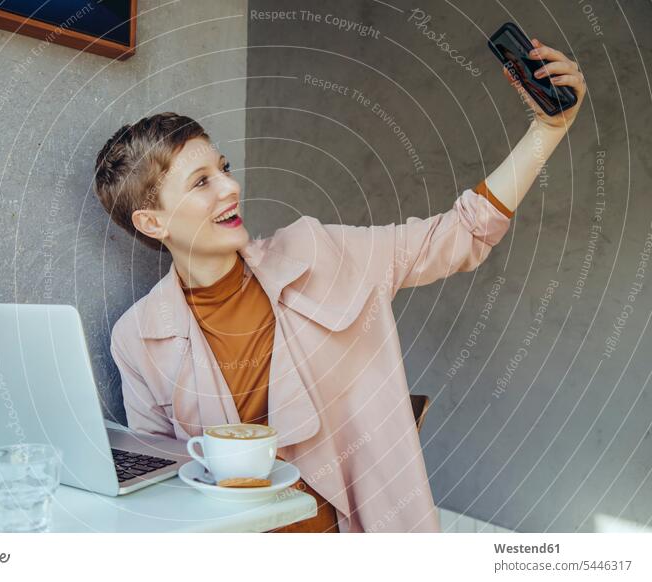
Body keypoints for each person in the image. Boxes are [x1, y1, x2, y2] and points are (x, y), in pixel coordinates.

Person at [94, 38, 586, 533]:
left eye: (224, 168)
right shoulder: (138, 338)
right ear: (152, 223)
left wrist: (548, 128)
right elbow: (161, 479)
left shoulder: (318, 253)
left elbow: (458, 236)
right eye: (201, 182)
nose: (231, 187)